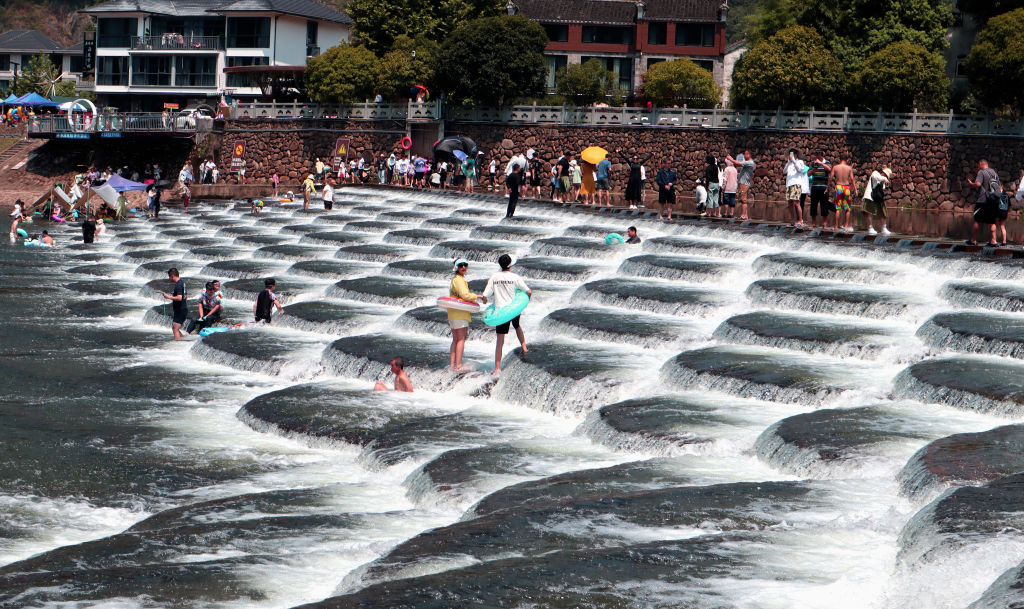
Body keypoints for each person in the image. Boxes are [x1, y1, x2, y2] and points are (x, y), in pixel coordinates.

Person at [482, 254, 531, 376]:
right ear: (510, 265)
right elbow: (528, 291)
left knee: (500, 340)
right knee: (517, 326)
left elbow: (485, 295)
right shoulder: (515, 277)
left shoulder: (494, 276)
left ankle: (497, 368)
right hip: (513, 309)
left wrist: (484, 301)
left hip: (500, 312)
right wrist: (524, 302)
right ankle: (524, 348)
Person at [448, 258, 486, 371]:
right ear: (456, 268)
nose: (464, 267)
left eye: (465, 265)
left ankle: (452, 365)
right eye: (461, 265)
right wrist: (478, 296)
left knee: (455, 339)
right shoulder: (459, 280)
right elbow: (465, 295)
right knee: (461, 339)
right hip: (459, 313)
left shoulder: (456, 279)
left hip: (452, 312)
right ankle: (458, 365)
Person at [967, 159, 1002, 246]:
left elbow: (978, 184)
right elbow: (1000, 187)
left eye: (978, 166)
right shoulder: (994, 173)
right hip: (993, 201)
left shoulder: (981, 172)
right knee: (992, 221)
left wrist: (972, 184)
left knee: (977, 220)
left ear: (980, 164)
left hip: (983, 200)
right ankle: (993, 241)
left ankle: (973, 240)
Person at [862, 167, 892, 236]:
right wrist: (884, 179)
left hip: (878, 197)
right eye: (886, 176)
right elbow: (876, 178)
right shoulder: (876, 173)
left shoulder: (884, 180)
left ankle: (883, 228)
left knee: (883, 212)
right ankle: (870, 228)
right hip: (871, 196)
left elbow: (883, 189)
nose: (886, 178)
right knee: (870, 212)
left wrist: (885, 190)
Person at [830, 157, 857, 232]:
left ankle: (835, 226)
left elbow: (830, 178)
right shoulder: (849, 168)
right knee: (847, 208)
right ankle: (846, 225)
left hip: (838, 187)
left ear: (839, 160)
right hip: (846, 187)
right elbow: (852, 179)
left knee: (837, 208)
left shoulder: (835, 167)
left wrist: (827, 188)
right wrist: (855, 189)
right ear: (847, 160)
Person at [726, 151, 755, 220]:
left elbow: (737, 163)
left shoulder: (749, 162)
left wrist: (730, 158)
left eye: (745, 154)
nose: (744, 155)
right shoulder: (749, 162)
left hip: (744, 183)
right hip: (743, 183)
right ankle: (745, 215)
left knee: (743, 200)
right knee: (743, 199)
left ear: (749, 155)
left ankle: (743, 215)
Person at [807, 152, 833, 229]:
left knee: (824, 205)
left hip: (824, 188)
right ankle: (813, 223)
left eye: (819, 157)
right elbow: (808, 174)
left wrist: (821, 163)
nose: (818, 159)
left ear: (823, 156)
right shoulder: (813, 163)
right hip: (815, 187)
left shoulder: (827, 163)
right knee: (813, 205)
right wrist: (812, 171)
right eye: (817, 157)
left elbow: (829, 169)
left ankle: (824, 223)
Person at [162, 268, 188, 340]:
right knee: (176, 329)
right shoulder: (183, 283)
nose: (170, 279)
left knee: (175, 330)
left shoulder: (178, 285)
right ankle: (182, 341)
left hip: (180, 310)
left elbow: (179, 297)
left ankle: (177, 345)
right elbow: (186, 295)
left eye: (170, 277)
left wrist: (169, 297)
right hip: (182, 309)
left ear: (172, 275)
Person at [784, 149, 805, 228]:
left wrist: (793, 160)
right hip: (789, 184)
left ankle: (800, 220)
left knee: (797, 203)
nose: (792, 154)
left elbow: (800, 169)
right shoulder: (789, 163)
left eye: (794, 153)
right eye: (791, 153)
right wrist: (789, 162)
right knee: (790, 203)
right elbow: (784, 171)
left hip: (796, 183)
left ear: (797, 154)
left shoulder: (799, 162)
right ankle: (793, 221)